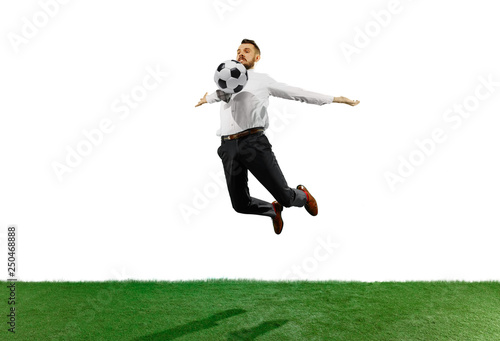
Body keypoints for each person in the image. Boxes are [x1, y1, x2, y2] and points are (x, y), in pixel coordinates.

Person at [195, 39, 359, 234]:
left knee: (286, 198)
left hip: (253, 143)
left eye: (246, 51)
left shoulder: (262, 80)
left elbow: (297, 93)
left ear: (257, 57)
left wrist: (335, 99)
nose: (240, 54)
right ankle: (272, 210)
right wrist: (206, 99)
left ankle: (303, 196)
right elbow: (218, 95)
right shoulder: (228, 81)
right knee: (240, 205)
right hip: (228, 147)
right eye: (238, 51)